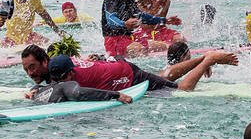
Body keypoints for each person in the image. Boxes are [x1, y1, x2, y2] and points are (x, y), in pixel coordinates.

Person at [21, 45, 238, 92]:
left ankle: (209, 60)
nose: (30, 73)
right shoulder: (61, 62)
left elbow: (60, 90)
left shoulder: (63, 76)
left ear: (45, 62)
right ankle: (201, 60)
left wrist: (36, 92)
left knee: (181, 90)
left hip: (128, 76)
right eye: (26, 70)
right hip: (120, 67)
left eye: (33, 67)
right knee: (161, 78)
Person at [101, 0, 181, 57]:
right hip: (113, 41)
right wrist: (125, 24)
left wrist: (165, 20)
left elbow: (141, 16)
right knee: (140, 49)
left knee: (163, 46)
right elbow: (111, 20)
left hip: (129, 38)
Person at [27, 55, 133, 104]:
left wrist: (33, 92)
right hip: (114, 67)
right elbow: (78, 93)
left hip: (126, 71)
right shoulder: (64, 85)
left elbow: (78, 93)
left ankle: (116, 58)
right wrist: (117, 95)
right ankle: (115, 58)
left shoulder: (49, 87)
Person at [0, 0, 65, 47]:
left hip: (29, 36)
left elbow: (45, 16)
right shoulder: (7, 0)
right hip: (11, 37)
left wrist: (57, 30)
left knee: (52, 46)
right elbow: (1, 21)